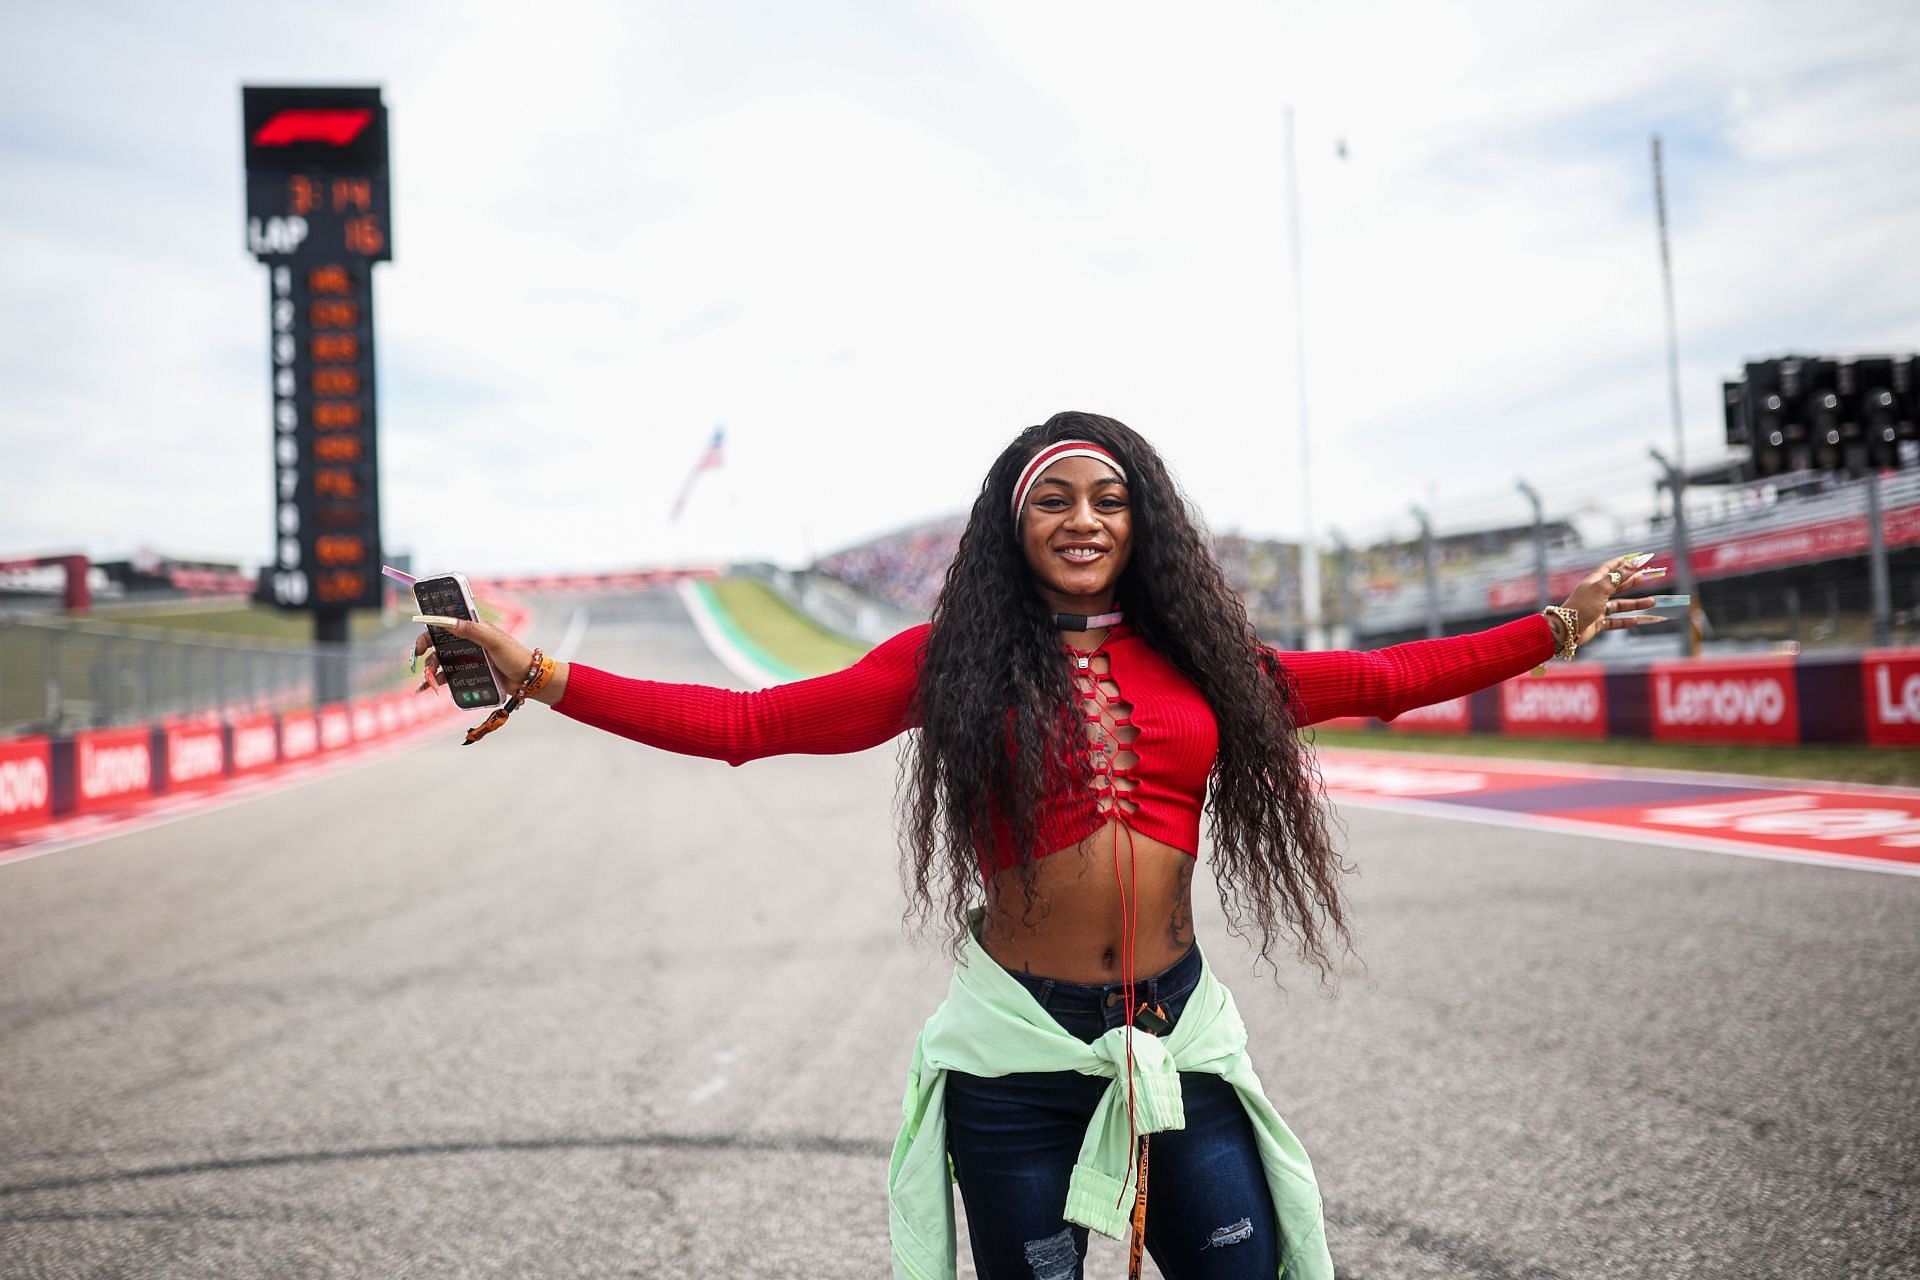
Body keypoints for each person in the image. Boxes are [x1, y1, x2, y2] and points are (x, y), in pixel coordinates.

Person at [413, 412, 1662, 1280]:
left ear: (1143, 522)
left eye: (1108, 499)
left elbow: (1384, 675)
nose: (1082, 517)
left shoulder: (1208, 666)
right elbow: (746, 722)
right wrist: (544, 669)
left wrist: (1554, 622)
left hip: (1176, 1041)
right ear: (1013, 526)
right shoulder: (942, 663)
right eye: (1054, 498)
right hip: (1013, 1062)